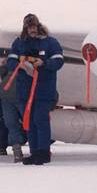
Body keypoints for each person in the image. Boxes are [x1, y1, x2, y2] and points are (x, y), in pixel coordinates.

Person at [6, 13, 65, 165]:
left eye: (33, 27)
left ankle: (44, 152)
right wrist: (22, 65)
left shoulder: (50, 42)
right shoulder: (19, 43)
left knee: (40, 119)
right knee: (29, 122)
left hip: (44, 90)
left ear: (38, 26)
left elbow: (58, 61)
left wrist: (43, 63)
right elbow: (11, 61)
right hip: (25, 90)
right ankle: (34, 152)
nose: (31, 30)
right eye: (28, 27)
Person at [0, 56, 26, 162]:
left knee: (10, 123)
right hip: (20, 96)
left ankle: (16, 152)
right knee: (30, 123)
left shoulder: (10, 63)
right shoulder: (28, 65)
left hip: (5, 95)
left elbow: (3, 74)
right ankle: (37, 149)